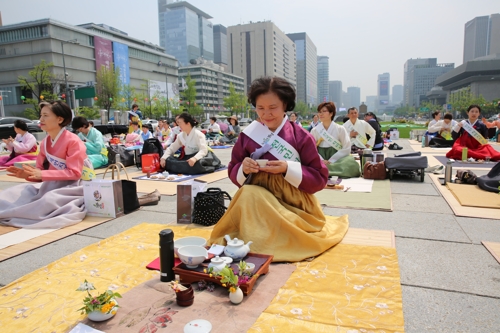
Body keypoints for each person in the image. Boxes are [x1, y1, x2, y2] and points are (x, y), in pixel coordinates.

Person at [208, 76, 348, 262]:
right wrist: (244, 168)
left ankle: (267, 240)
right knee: (248, 193)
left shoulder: (301, 136)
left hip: (292, 200)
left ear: (285, 105)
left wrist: (287, 168)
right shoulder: (248, 135)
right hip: (256, 199)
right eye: (260, 108)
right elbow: (234, 169)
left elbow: (319, 178)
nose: (266, 114)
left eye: (273, 107)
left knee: (250, 196)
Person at [0, 101, 89, 228]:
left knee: (49, 200)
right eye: (41, 115)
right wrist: (28, 174)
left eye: (46, 115)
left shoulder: (73, 141)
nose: (41, 119)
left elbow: (75, 173)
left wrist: (41, 174)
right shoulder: (45, 142)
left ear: (60, 119)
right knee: (13, 193)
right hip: (51, 184)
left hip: (75, 185)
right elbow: (40, 171)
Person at [311, 102, 360, 178]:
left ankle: (323, 170)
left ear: (331, 113)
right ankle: (330, 170)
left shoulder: (340, 129)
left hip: (337, 157)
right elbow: (311, 149)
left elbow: (346, 147)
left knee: (351, 164)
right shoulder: (315, 130)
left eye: (324, 111)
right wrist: (321, 160)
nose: (321, 114)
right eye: (319, 112)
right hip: (320, 156)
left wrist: (332, 160)